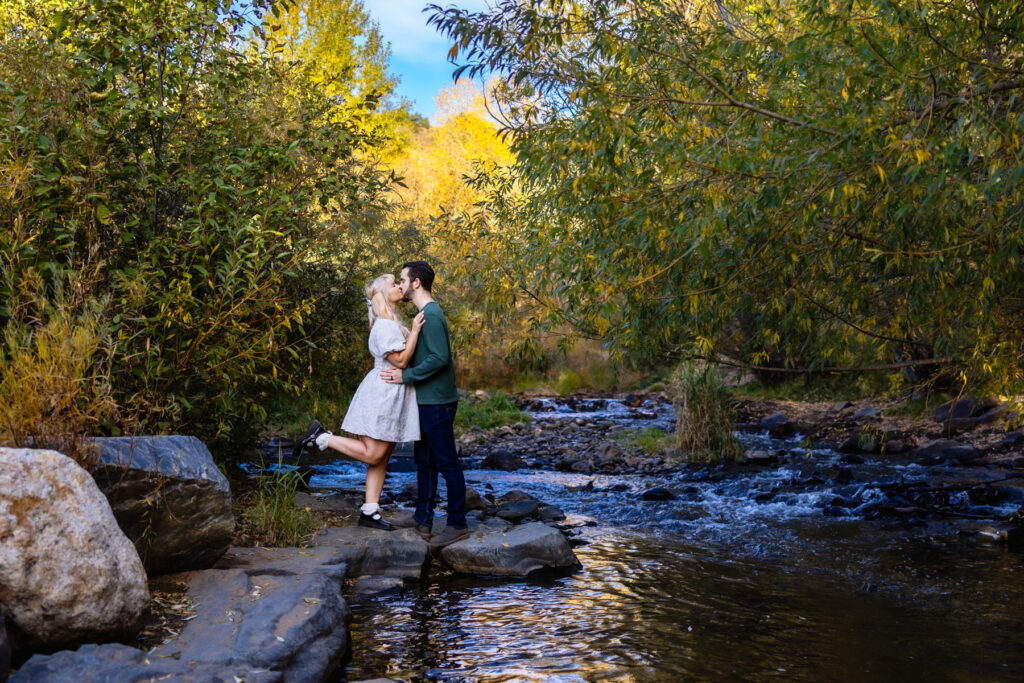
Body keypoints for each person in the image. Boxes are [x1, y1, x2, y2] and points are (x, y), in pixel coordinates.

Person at [295, 274, 425, 530]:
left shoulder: (389, 322)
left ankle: (370, 511)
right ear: (382, 294)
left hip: (392, 392)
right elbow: (399, 361)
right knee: (373, 454)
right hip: (383, 393)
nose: (399, 286)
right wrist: (416, 331)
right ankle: (322, 437)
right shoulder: (385, 326)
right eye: (393, 284)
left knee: (382, 457)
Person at [380, 260, 468, 549]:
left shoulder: (431, 314)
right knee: (425, 462)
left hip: (438, 402)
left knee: (446, 463)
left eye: (403, 280)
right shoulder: (424, 314)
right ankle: (422, 520)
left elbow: (439, 358)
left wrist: (407, 375)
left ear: (416, 283)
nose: (401, 285)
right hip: (428, 400)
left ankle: (457, 524)